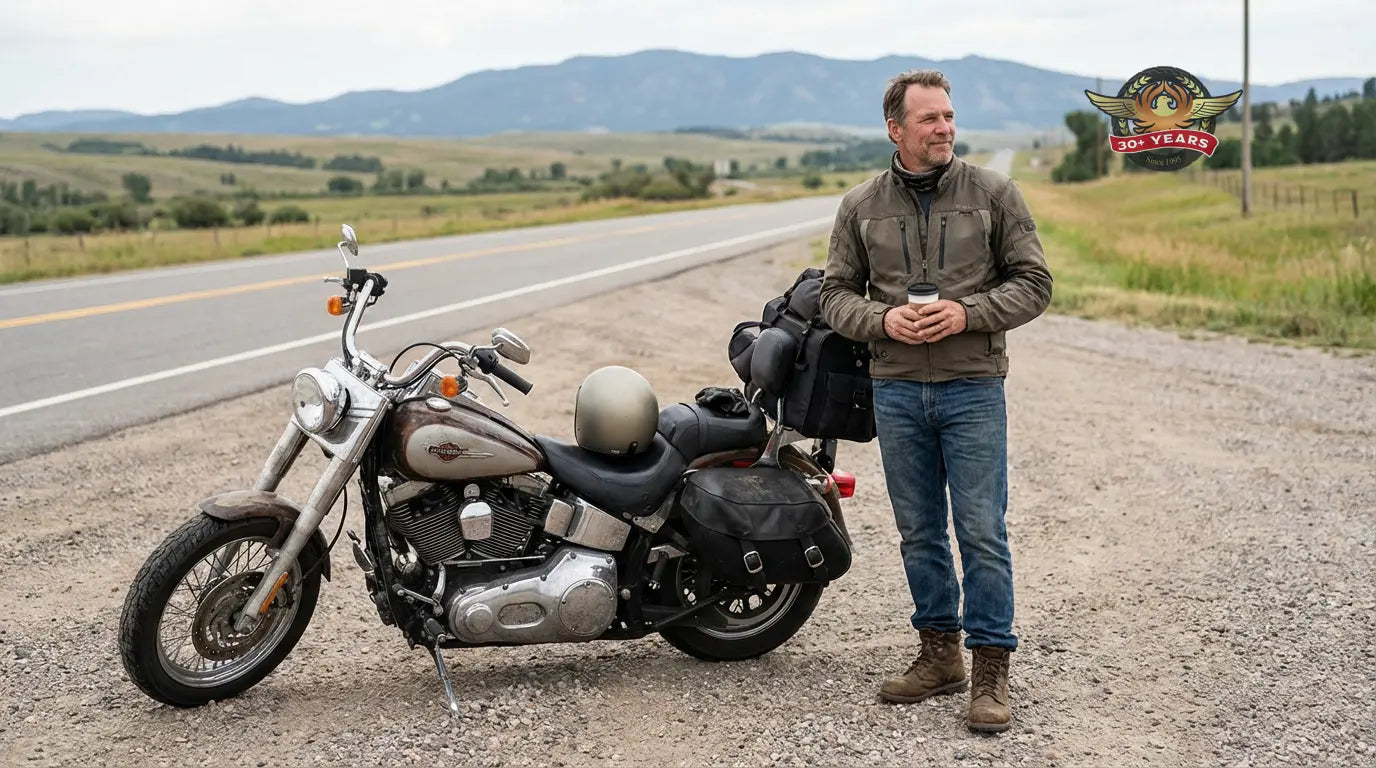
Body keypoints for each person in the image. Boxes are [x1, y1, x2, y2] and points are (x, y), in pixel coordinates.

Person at [819, 69, 1052, 733]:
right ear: (896, 129)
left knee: (981, 530)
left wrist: (968, 313)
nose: (945, 128)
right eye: (930, 120)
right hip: (895, 391)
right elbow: (834, 296)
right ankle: (938, 654)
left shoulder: (994, 193)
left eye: (948, 117)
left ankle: (990, 672)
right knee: (919, 533)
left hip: (973, 387)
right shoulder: (861, 206)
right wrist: (884, 323)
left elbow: (1035, 283)